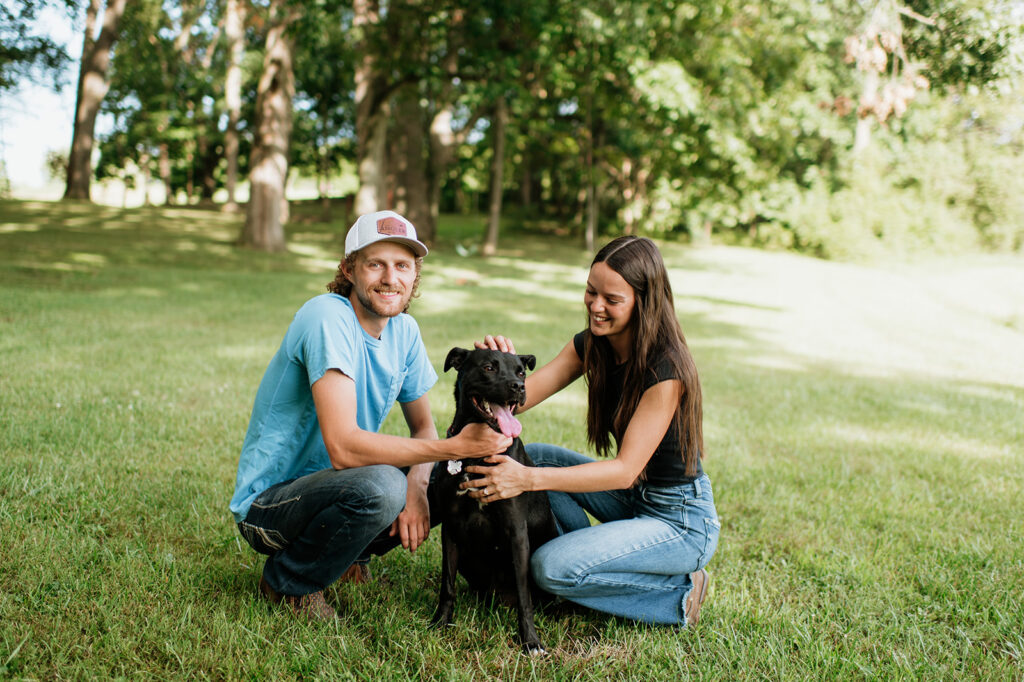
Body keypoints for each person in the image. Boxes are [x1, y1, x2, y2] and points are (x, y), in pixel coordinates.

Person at [229, 210, 512, 620]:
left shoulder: (405, 332)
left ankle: (346, 554)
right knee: (383, 485)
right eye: (375, 264)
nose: (389, 278)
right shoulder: (326, 317)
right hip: (270, 508)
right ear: (349, 269)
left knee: (446, 472)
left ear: (415, 276)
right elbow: (343, 448)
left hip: (337, 489)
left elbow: (422, 427)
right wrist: (449, 448)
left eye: (402, 266)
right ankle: (289, 582)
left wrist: (417, 486)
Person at [464, 235, 720, 627]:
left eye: (612, 300)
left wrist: (526, 479)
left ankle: (681, 591)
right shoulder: (593, 345)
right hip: (632, 499)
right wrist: (498, 370)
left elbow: (623, 470)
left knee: (549, 569)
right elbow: (523, 398)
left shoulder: (666, 369)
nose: (596, 307)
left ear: (643, 302)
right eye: (590, 292)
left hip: (679, 519)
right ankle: (576, 560)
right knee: (544, 455)